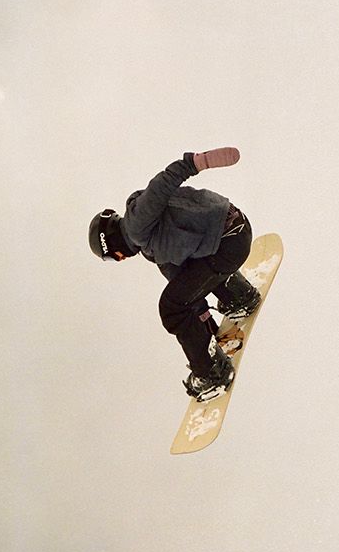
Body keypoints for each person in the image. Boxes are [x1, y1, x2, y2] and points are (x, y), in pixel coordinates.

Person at [89, 147, 262, 401]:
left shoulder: (137, 224)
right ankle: (239, 297)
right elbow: (186, 286)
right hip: (234, 233)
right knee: (183, 289)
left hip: (229, 241)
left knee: (170, 308)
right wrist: (208, 328)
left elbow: (162, 184)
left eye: (116, 257)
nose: (122, 259)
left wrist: (196, 163)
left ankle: (211, 373)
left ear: (113, 246)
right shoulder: (152, 246)